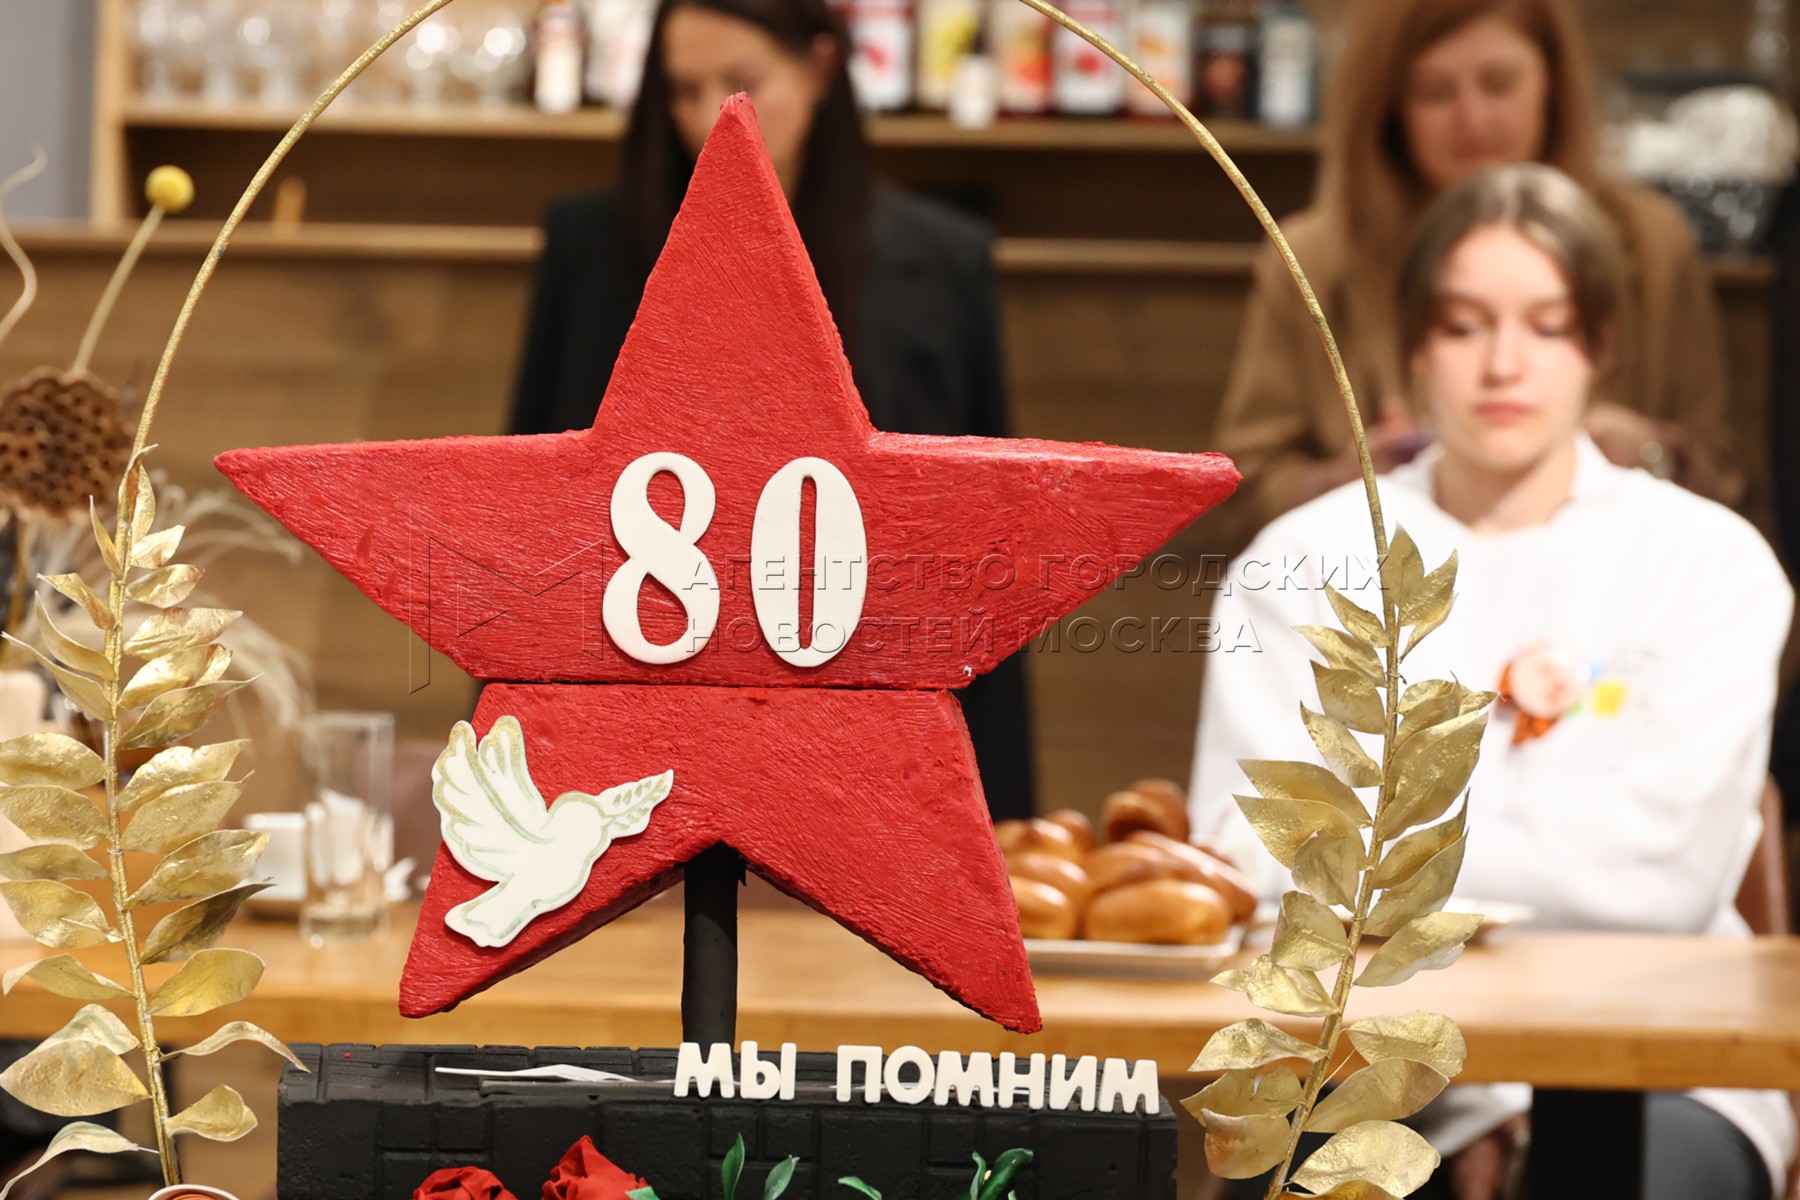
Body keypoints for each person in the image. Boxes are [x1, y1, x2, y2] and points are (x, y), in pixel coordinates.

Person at [1191, 165, 1795, 1199]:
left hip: (1657, 1051)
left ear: (1601, 346)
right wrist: (1547, 854)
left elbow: (1661, 886)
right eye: (1465, 326)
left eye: (1548, 327)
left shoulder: (1710, 564)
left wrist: (1390, 864)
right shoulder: (1301, 560)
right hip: (1360, 1052)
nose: (1504, 364)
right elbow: (1260, 863)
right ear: (1415, 346)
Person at [508, 0, 1034, 820]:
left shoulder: (941, 262)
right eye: (682, 90)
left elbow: (984, 540)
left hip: (870, 740)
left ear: (820, 68)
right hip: (629, 729)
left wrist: (997, 816)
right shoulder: (593, 249)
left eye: (741, 82)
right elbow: (531, 517)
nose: (709, 118)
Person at [1212, 0, 1741, 545]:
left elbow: (1726, 480)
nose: (1472, 118)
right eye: (1436, 93)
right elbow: (1242, 498)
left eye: (1498, 83)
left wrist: (1649, 455)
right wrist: (1349, 481)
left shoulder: (1652, 245)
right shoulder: (1312, 260)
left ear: (1552, 84)